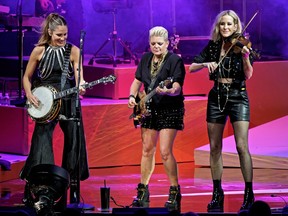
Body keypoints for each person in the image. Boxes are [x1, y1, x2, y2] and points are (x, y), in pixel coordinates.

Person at [189, 10, 254, 212]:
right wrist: (205, 63)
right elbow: (191, 67)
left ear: (236, 26)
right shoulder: (213, 46)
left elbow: (249, 75)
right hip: (216, 96)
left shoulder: (241, 46)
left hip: (238, 96)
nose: (225, 27)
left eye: (229, 24)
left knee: (242, 146)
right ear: (218, 27)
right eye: (222, 24)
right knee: (214, 146)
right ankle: (217, 192)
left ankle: (249, 193)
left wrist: (245, 58)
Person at [20, 13, 89, 203]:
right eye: (59, 35)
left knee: (74, 141)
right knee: (41, 141)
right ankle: (41, 186)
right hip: (45, 100)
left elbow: (78, 75)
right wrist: (29, 94)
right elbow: (27, 77)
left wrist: (81, 84)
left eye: (65, 34)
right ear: (50, 32)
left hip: (67, 97)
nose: (63, 38)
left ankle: (70, 185)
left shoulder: (73, 50)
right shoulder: (39, 51)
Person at [128, 26, 185, 212]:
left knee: (165, 151)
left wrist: (169, 91)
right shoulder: (145, 58)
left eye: (160, 44)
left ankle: (174, 190)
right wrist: (132, 96)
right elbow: (137, 80)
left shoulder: (175, 60)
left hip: (170, 109)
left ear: (167, 44)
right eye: (153, 44)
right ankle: (143, 189)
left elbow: (176, 85)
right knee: (147, 150)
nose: (156, 47)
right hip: (149, 109)